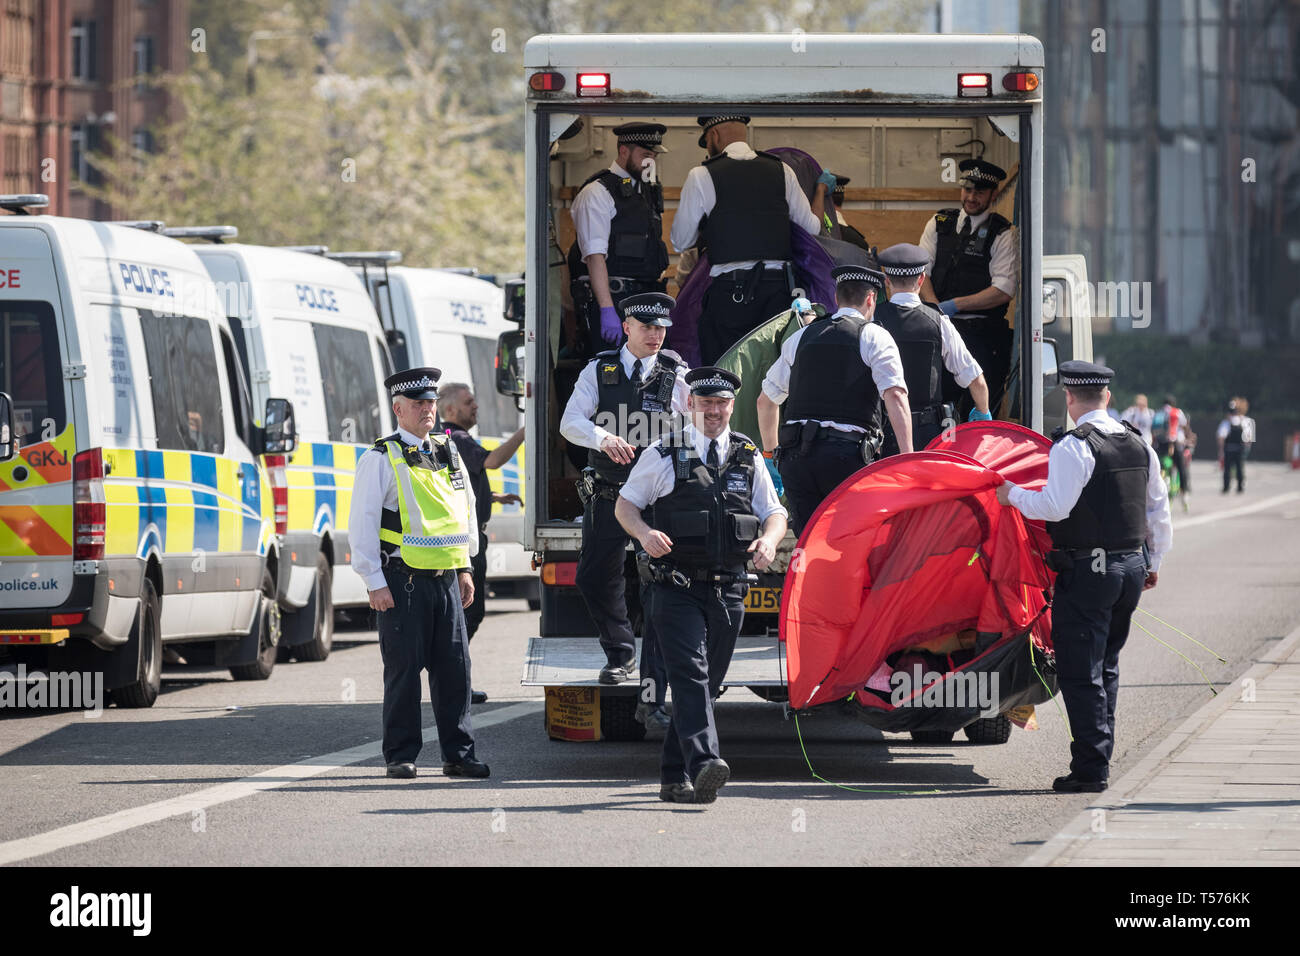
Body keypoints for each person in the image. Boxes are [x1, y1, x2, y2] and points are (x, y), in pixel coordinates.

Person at [996, 361, 1172, 792]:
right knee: (1106, 664)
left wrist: (1011, 494)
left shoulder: (1074, 447)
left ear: (1070, 398)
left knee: (1081, 671)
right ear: (1107, 397)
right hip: (1131, 566)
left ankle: (1091, 769)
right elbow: (1159, 510)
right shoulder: (1138, 443)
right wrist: (1153, 563)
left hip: (1090, 572)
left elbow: (1055, 507)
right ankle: (1100, 757)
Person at [615, 367, 787, 805]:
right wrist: (643, 535)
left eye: (722, 403)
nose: (714, 410)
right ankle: (706, 762)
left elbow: (774, 512)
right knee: (690, 676)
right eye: (706, 402)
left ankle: (673, 777)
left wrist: (768, 540)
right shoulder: (663, 452)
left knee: (708, 685)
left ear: (732, 405)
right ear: (690, 404)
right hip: (675, 587)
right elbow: (625, 506)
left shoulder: (748, 454)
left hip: (730, 589)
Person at [348, 367, 488, 780]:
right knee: (404, 673)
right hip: (401, 580)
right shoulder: (380, 457)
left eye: (430, 402)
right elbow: (363, 522)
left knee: (455, 672)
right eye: (418, 404)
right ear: (398, 409)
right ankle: (400, 755)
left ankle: (458, 755)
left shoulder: (448, 450)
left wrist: (464, 566)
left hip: (446, 578)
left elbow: (463, 512)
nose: (427, 409)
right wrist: (373, 580)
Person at [559, 291, 687, 728]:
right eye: (647, 327)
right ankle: (620, 653)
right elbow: (569, 422)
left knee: (663, 583)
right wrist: (603, 438)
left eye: (661, 328)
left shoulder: (677, 372)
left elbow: (696, 422)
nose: (656, 335)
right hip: (610, 492)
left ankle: (659, 670)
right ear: (627, 327)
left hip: (657, 497)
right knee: (594, 575)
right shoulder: (600, 369)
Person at [755, 262, 911, 535]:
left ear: (836, 298)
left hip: (797, 461)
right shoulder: (875, 336)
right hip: (846, 460)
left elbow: (765, 401)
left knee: (807, 544)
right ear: (871, 299)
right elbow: (895, 396)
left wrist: (771, 455)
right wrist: (909, 458)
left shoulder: (801, 337)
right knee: (849, 546)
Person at [671, 115, 822, 364]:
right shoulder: (781, 170)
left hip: (729, 295)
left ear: (714, 136)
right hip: (777, 294)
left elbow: (681, 241)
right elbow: (812, 228)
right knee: (773, 374)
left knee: (723, 375)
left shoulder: (702, 175)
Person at [436, 383, 525, 703]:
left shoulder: (449, 438)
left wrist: (494, 497)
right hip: (469, 543)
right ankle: (452, 681)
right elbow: (491, 461)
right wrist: (526, 432)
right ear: (450, 411)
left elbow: (462, 484)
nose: (476, 406)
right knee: (469, 613)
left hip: (467, 537)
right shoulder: (457, 437)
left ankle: (453, 680)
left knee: (465, 614)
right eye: (468, 402)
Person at [918, 158, 1019, 417]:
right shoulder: (939, 222)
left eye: (980, 192)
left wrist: (955, 306)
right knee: (937, 410)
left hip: (981, 336)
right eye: (968, 190)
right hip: (941, 330)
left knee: (979, 413)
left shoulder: (1002, 233)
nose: (972, 197)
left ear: (994, 194)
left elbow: (1003, 290)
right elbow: (922, 271)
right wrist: (934, 309)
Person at [873, 242, 991, 455]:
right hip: (927, 432)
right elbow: (976, 379)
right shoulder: (938, 322)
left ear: (887, 281)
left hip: (881, 430)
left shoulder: (872, 319)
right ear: (921, 279)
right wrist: (983, 413)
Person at [568, 122, 671, 358]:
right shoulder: (598, 192)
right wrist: (607, 309)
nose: (650, 162)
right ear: (624, 151)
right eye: (645, 154)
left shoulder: (646, 191)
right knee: (612, 378)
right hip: (616, 300)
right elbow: (594, 256)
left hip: (645, 300)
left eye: (653, 156)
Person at [1154, 394, 1192, 495]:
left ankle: (1158, 485)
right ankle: (1184, 490)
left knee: (1159, 465)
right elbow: (1184, 426)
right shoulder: (1177, 412)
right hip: (1175, 443)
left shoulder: (1158, 412)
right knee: (1181, 466)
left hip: (1161, 443)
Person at [1217, 398, 1256, 494]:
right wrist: (1245, 449)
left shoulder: (1226, 422)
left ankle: (1226, 487)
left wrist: (1221, 450)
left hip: (1229, 449)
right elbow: (1249, 439)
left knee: (1227, 469)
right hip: (1239, 449)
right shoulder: (1246, 421)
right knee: (1240, 469)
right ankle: (1240, 487)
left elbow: (1221, 437)